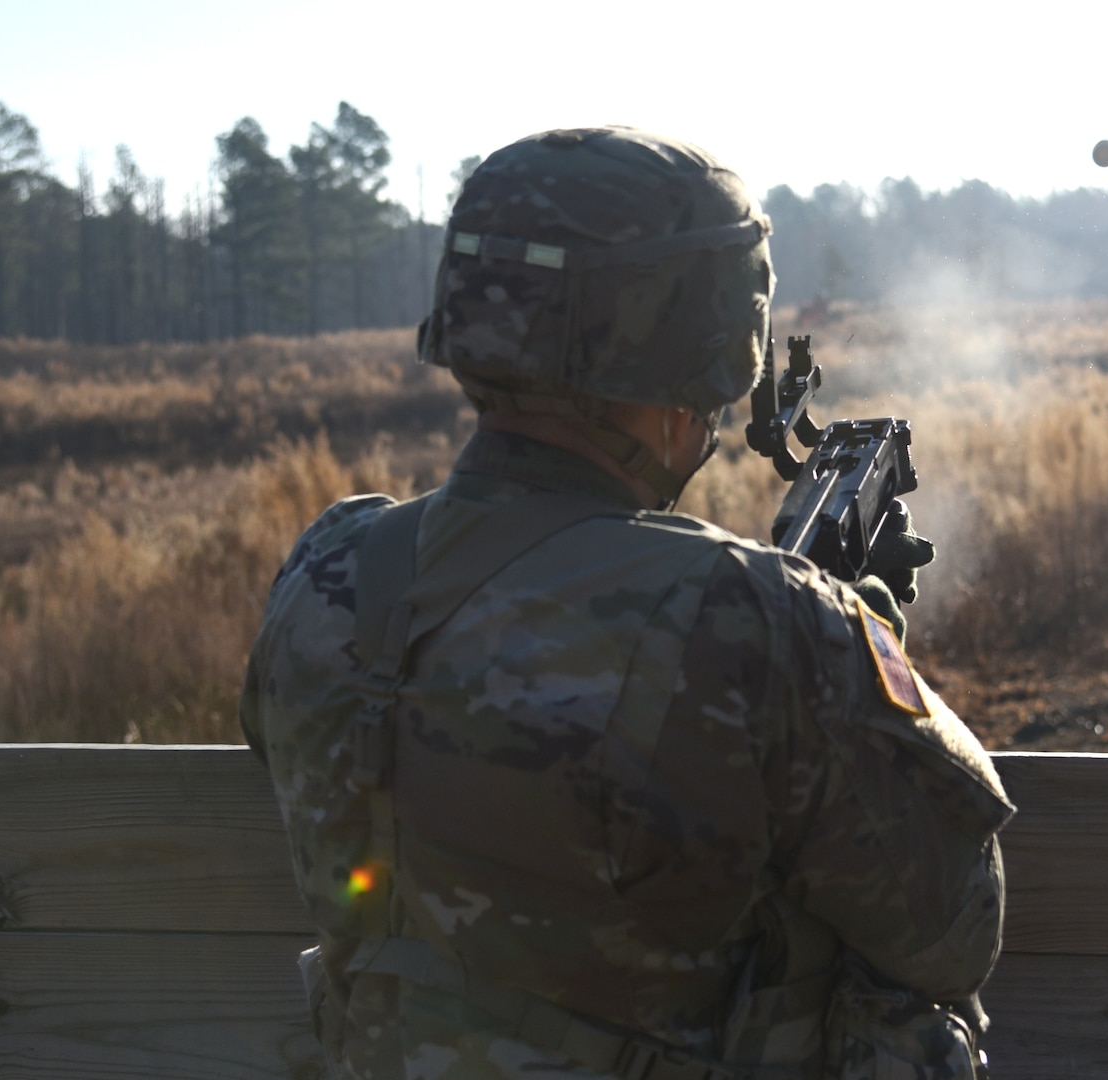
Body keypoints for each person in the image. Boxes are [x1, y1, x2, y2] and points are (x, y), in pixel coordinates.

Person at [240, 126, 1013, 1080]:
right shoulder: (763, 622)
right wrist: (857, 644)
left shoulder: (333, 570)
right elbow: (952, 929)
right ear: (699, 350)